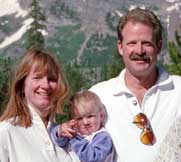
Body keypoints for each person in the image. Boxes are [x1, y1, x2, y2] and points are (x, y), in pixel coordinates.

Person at [90, 7, 181, 162]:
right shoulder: (98, 96)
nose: (139, 50)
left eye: (146, 43)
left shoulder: (178, 91)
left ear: (159, 46)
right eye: (132, 43)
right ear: (120, 47)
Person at [0, 49, 72, 162]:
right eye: (37, 77)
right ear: (21, 85)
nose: (45, 85)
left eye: (52, 79)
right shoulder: (6, 132)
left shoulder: (65, 135)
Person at [50, 90, 115, 162]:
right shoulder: (76, 133)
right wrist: (60, 130)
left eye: (90, 116)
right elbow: (59, 142)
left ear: (101, 116)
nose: (85, 122)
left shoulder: (102, 137)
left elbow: (93, 159)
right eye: (79, 118)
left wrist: (74, 138)